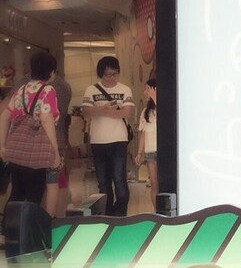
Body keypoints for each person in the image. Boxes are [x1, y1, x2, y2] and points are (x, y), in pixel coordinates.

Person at [0, 51, 61, 208]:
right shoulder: (48, 90)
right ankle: (29, 224)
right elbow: (46, 119)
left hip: (16, 149)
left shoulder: (21, 89)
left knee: (17, 192)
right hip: (36, 153)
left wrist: (2, 145)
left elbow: (4, 116)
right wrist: (55, 151)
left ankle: (10, 222)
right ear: (51, 72)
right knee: (34, 196)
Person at [81, 57, 134, 217]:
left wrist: (100, 111)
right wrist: (105, 109)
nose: (111, 78)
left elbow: (127, 113)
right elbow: (85, 112)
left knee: (119, 179)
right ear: (100, 74)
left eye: (114, 74)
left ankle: (120, 213)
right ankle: (107, 214)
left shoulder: (125, 89)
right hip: (98, 141)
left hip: (119, 139)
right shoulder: (91, 90)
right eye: (107, 75)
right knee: (103, 182)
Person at [46, 62, 73, 218]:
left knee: (50, 181)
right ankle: (58, 218)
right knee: (57, 179)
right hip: (58, 139)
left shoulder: (45, 88)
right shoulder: (63, 86)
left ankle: (47, 218)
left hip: (44, 141)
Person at [135, 76, 158, 206]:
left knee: (164, 182)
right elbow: (143, 133)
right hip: (150, 151)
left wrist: (155, 97)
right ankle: (156, 209)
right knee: (154, 183)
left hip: (163, 151)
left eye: (148, 89)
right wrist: (139, 153)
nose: (145, 92)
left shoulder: (164, 107)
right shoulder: (145, 112)